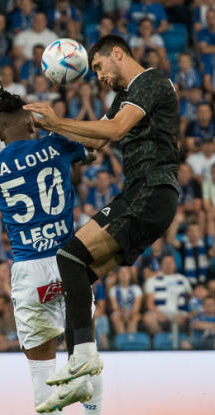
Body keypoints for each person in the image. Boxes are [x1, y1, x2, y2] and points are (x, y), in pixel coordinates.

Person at [23, 34, 180, 390]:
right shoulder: (126, 96)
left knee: (68, 255)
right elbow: (95, 140)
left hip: (149, 193)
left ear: (118, 54)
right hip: (149, 198)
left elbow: (114, 129)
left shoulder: (151, 81)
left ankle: (84, 354)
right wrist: (48, 136)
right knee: (76, 275)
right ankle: (79, 376)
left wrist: (57, 120)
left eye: (97, 67)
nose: (97, 76)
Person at [0, 85, 103, 415]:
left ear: (1, 134)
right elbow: (93, 148)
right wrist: (56, 126)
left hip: (30, 270)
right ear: (33, 123)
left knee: (40, 368)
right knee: (84, 346)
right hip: (70, 260)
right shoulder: (56, 144)